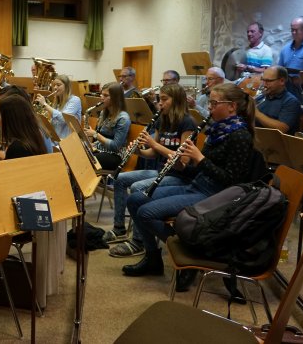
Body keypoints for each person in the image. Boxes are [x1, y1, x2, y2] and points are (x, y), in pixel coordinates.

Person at [122, 83, 255, 283]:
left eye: (214, 103)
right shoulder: (218, 131)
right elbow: (200, 170)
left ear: (232, 106)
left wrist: (200, 159)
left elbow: (232, 181)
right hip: (197, 185)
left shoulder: (240, 136)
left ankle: (190, 252)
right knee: (134, 200)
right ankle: (153, 258)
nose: (209, 107)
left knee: (146, 212)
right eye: (209, 102)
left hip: (215, 196)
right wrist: (182, 167)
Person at [106, 84, 197, 256]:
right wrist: (138, 151)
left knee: (137, 188)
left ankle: (138, 241)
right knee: (119, 179)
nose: (159, 103)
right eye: (159, 99)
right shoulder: (162, 119)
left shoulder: (188, 122)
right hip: (162, 171)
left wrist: (154, 143)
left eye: (164, 99)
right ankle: (119, 228)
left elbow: (184, 159)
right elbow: (153, 153)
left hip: (181, 177)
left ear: (176, 101)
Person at [84, 82, 131, 170]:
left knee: (85, 160)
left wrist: (95, 134)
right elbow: (98, 136)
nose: (101, 98)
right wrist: (90, 138)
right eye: (101, 94)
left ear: (116, 98)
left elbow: (115, 146)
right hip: (100, 149)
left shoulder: (123, 118)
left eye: (105, 95)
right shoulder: (103, 113)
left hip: (115, 156)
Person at [255, 66, 301, 134]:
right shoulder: (261, 97)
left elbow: (282, 128)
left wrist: (256, 113)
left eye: (268, 81)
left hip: (277, 142)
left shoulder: (291, 101)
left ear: (282, 81)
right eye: (263, 80)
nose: (264, 84)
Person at [34, 74, 82, 139]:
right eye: (54, 85)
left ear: (67, 87)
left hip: (69, 142)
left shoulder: (75, 100)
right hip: (57, 140)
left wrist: (45, 105)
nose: (55, 87)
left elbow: (63, 118)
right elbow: (53, 124)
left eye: (58, 85)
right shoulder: (57, 103)